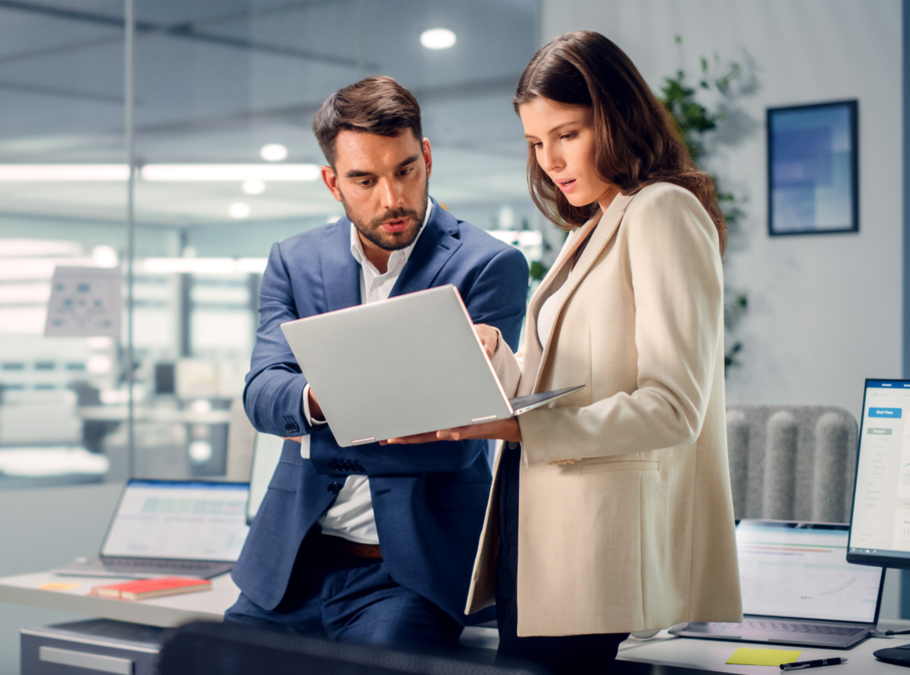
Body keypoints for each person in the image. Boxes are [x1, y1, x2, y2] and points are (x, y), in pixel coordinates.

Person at [387, 32, 743, 674]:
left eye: (568, 133)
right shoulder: (590, 228)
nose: (550, 158)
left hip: (593, 543)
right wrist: (490, 357)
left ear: (616, 115)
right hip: (542, 530)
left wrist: (519, 423)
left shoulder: (662, 211)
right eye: (535, 142)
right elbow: (569, 382)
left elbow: (672, 408)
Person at [226, 76, 531, 651]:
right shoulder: (293, 262)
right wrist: (326, 401)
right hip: (289, 568)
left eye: (406, 170)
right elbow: (263, 397)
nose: (392, 197)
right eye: (365, 179)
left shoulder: (488, 266)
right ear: (332, 182)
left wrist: (314, 430)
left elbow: (456, 440)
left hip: (408, 578)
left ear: (428, 157)